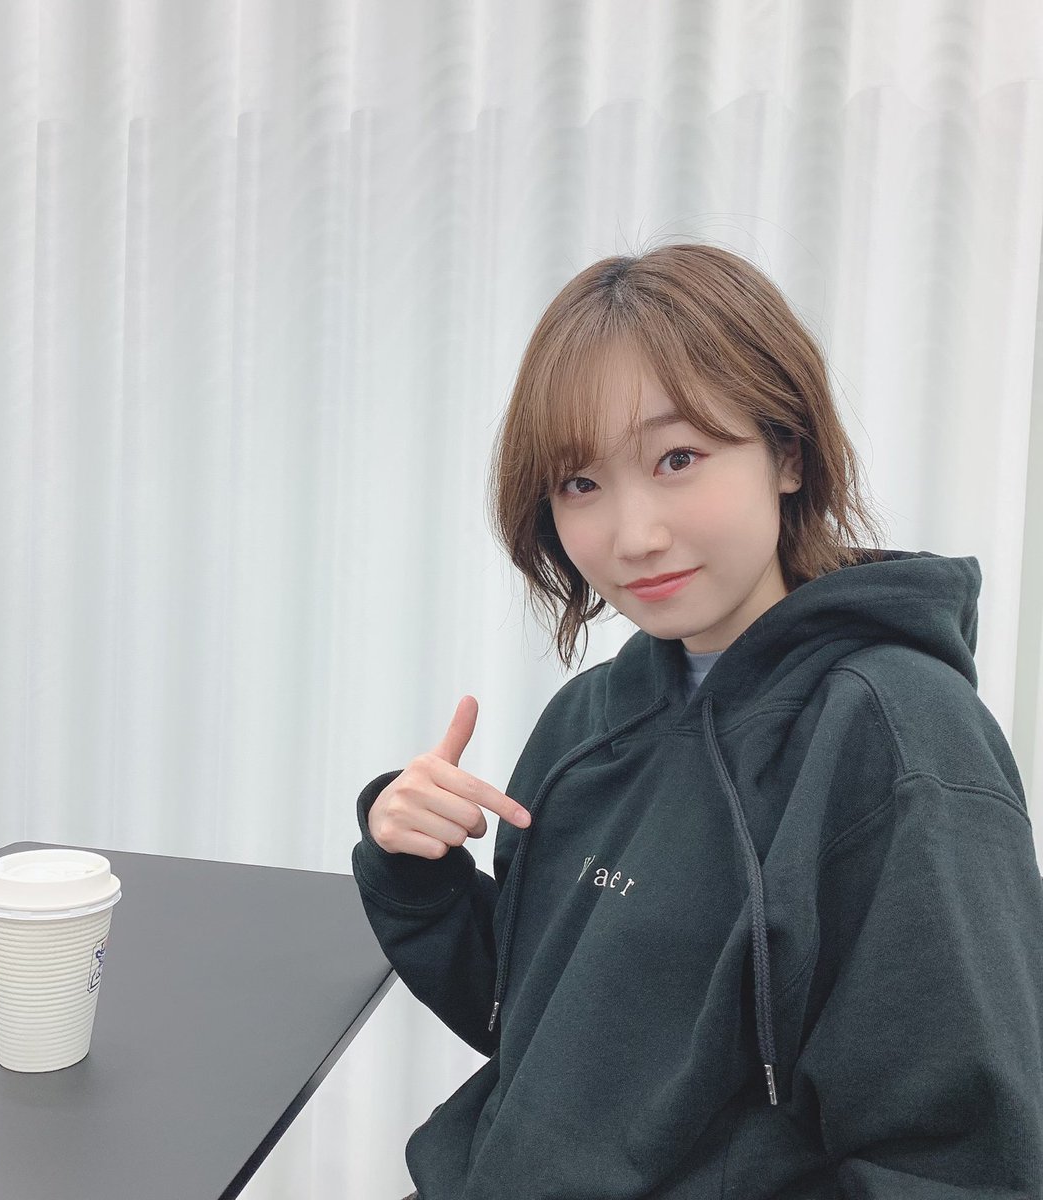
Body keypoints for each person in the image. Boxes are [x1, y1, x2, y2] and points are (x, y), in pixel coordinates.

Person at [350, 242, 1043, 1199]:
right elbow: (551, 1038)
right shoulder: (592, 719)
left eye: (678, 459)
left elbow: (960, 1167)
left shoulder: (896, 737)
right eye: (581, 483)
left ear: (788, 454)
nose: (634, 535)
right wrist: (415, 871)